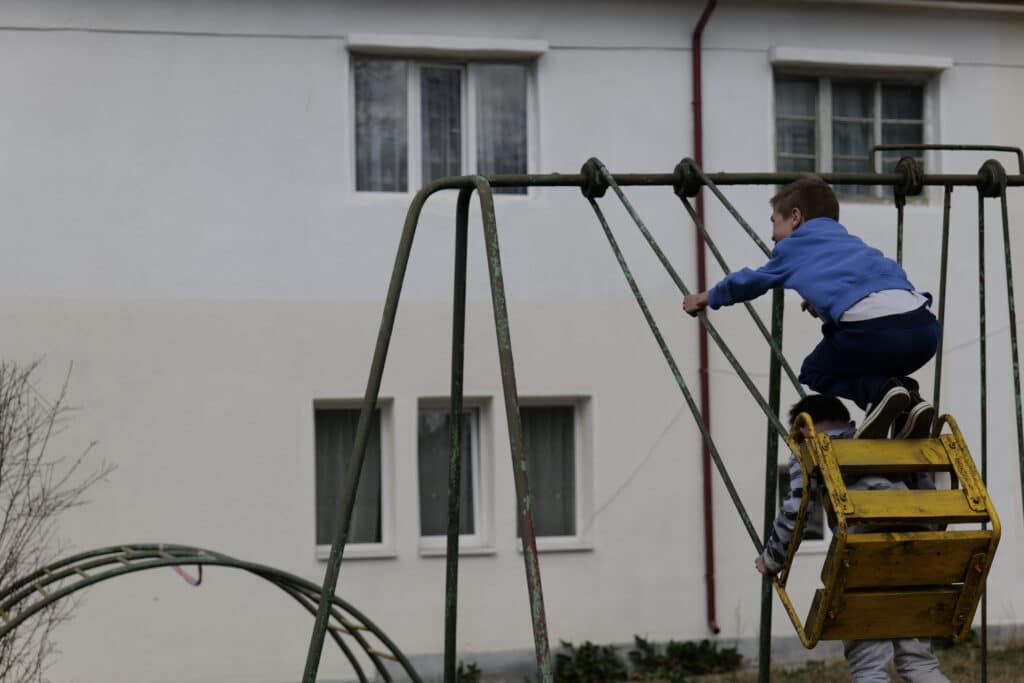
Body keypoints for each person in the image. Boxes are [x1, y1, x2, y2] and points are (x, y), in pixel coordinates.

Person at [682, 176, 942, 439]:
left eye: (774, 222)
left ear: (795, 217)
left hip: (877, 331)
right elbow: (869, 288)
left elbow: (747, 283)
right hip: (925, 330)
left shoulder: (794, 247)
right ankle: (910, 403)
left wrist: (704, 298)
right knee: (873, 358)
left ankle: (882, 394)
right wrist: (825, 304)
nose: (772, 235)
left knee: (815, 371)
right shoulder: (853, 244)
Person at [759, 394, 949, 683]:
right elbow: (922, 483)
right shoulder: (877, 444)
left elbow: (796, 511)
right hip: (915, 550)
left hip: (864, 556)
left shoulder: (809, 450)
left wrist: (772, 559)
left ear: (802, 432)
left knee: (869, 668)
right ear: (851, 424)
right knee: (919, 664)